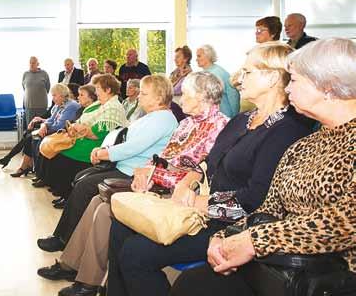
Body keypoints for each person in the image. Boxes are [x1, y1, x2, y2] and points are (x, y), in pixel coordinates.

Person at [107, 42, 314, 296]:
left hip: (233, 224)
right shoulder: (242, 120)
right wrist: (188, 182)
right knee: (120, 225)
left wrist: (199, 202)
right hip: (201, 210)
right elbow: (207, 162)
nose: (239, 78)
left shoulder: (286, 131)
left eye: (248, 72)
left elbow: (255, 199)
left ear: (272, 78)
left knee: (135, 254)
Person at [171, 38, 356, 296]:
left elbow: (344, 222)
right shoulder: (306, 145)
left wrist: (253, 241)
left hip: (332, 278)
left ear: (328, 86)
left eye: (294, 80)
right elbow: (269, 206)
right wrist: (226, 235)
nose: (287, 88)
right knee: (192, 284)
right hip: (282, 267)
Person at [37, 72, 229, 296]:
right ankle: (73, 265)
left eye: (185, 94)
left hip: (172, 194)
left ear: (203, 96)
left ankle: (88, 281)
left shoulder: (219, 126)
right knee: (96, 202)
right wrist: (145, 170)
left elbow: (196, 171)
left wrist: (150, 174)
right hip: (152, 182)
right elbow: (163, 157)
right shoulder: (187, 123)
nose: (180, 98)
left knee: (104, 209)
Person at [36, 74, 178, 252]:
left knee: (84, 186)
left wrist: (103, 153)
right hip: (124, 167)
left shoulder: (162, 119)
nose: (139, 96)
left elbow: (132, 147)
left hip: (133, 173)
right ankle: (66, 238)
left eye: (144, 93)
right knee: (81, 179)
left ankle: (63, 239)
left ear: (158, 97)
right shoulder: (153, 117)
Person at [36, 74, 128, 207]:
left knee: (63, 155)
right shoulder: (102, 104)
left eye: (98, 88)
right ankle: (64, 194)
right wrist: (76, 127)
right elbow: (83, 123)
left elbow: (96, 134)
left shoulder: (113, 107)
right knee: (59, 153)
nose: (96, 92)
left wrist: (79, 128)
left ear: (108, 90)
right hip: (87, 139)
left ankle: (68, 197)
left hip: (98, 145)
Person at [0, 83, 80, 176]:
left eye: (54, 95)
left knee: (30, 137)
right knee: (29, 135)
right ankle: (23, 165)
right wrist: (43, 125)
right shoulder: (60, 104)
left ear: (62, 94)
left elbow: (59, 126)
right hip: (53, 129)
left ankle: (21, 165)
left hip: (60, 133)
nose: (53, 98)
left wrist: (44, 125)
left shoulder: (71, 106)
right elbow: (51, 120)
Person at [32, 84, 98, 186]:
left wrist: (46, 127)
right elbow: (54, 120)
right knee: (35, 139)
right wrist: (44, 124)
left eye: (81, 95)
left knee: (46, 143)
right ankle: (41, 175)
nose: (77, 97)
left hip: (71, 135)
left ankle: (50, 181)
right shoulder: (79, 108)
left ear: (91, 97)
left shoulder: (73, 106)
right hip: (68, 133)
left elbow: (62, 125)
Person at [196, 44, 240, 118]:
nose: (196, 59)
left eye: (199, 56)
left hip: (223, 116)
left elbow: (234, 96)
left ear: (208, 56)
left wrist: (234, 118)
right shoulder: (206, 73)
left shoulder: (217, 73)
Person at [22, 56, 50, 124]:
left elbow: (48, 87)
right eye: (30, 63)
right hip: (29, 107)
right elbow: (24, 88)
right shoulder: (25, 74)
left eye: (33, 63)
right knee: (30, 127)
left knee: (41, 127)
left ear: (38, 64)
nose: (31, 64)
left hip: (41, 106)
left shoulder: (44, 73)